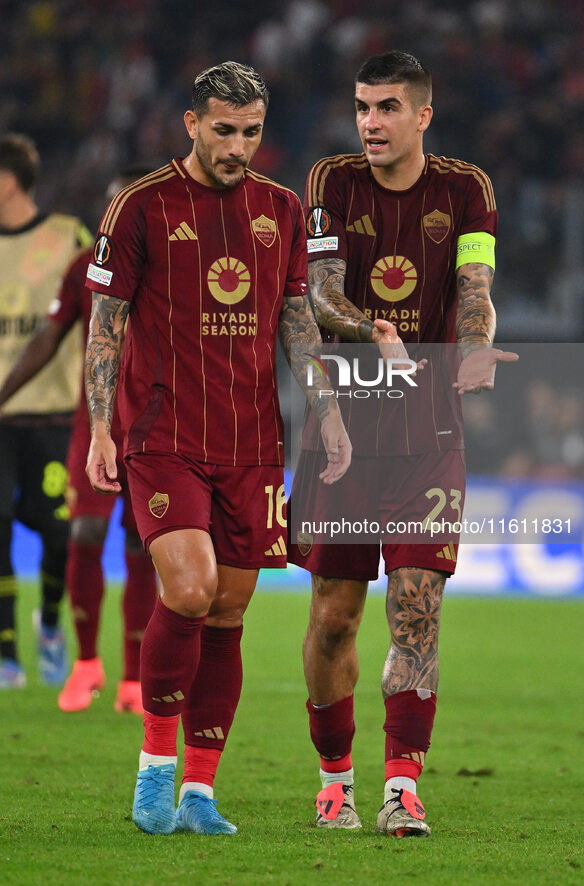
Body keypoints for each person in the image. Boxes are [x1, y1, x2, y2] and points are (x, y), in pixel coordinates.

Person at [84, 61, 351, 836]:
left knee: (229, 613)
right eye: (225, 130)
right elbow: (108, 327)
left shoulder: (281, 209)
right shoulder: (141, 205)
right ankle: (154, 773)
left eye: (252, 132)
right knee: (191, 589)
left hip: (251, 440)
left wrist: (325, 412)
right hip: (163, 433)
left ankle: (199, 791)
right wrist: (102, 426)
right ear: (192, 124)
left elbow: (296, 321)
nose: (239, 146)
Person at [287, 50, 518, 837]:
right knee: (335, 619)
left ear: (422, 114)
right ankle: (333, 781)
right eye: (361, 107)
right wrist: (371, 330)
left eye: (386, 108)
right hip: (343, 427)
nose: (369, 123)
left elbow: (473, 287)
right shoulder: (330, 182)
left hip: (427, 432)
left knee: (415, 609)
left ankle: (400, 787)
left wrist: (479, 345)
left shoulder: (466, 190)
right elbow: (320, 295)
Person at [0, 166, 159, 713]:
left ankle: (134, 680)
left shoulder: (174, 265)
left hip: (154, 424)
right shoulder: (83, 267)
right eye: (114, 209)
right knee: (85, 531)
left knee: (142, 544)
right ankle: (86, 664)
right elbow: (49, 336)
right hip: (92, 424)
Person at [0, 133, 93, 689]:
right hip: (0, 422)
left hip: (57, 417)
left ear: (9, 180)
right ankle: (8, 653)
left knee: (60, 535)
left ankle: (51, 624)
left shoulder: (68, 237)